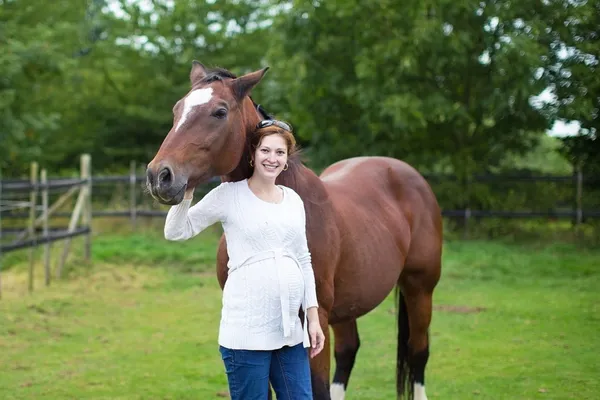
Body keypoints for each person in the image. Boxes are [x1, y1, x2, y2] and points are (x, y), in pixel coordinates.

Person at [163, 119, 325, 399]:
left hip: (290, 335)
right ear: (252, 155)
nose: (272, 159)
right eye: (265, 151)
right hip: (246, 337)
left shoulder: (293, 201)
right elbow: (177, 231)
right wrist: (187, 192)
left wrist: (312, 317)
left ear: (286, 160)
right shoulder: (229, 196)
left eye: (279, 153)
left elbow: (303, 258)